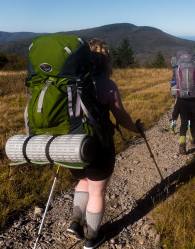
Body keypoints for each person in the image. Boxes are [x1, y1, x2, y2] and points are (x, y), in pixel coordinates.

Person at [65, 39, 141, 249]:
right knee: (97, 192)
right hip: (98, 146)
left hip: (71, 146)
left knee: (83, 181)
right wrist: (137, 129)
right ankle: (92, 237)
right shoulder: (106, 85)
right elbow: (122, 118)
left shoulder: (69, 83)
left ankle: (75, 223)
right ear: (106, 61)